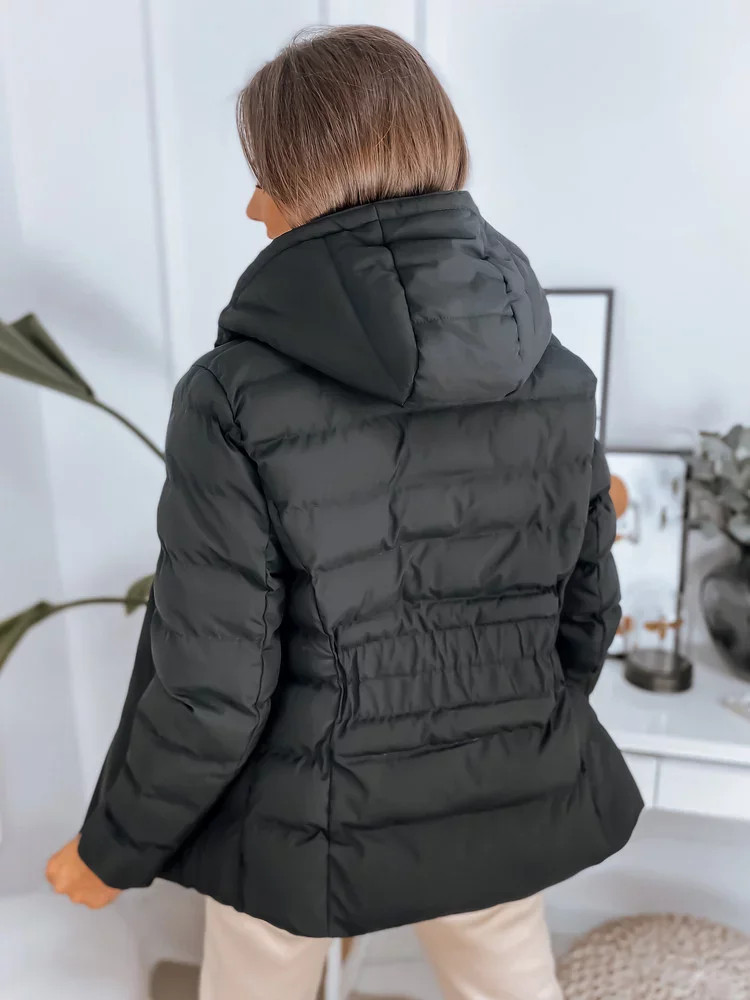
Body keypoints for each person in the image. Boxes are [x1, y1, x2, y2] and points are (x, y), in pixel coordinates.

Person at [46, 24, 642, 1000]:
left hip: (300, 821)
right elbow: (586, 615)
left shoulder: (232, 396)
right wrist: (511, 736)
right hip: (499, 797)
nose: (252, 205)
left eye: (264, 175)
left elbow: (213, 690)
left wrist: (111, 849)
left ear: (312, 178)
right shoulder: (559, 375)